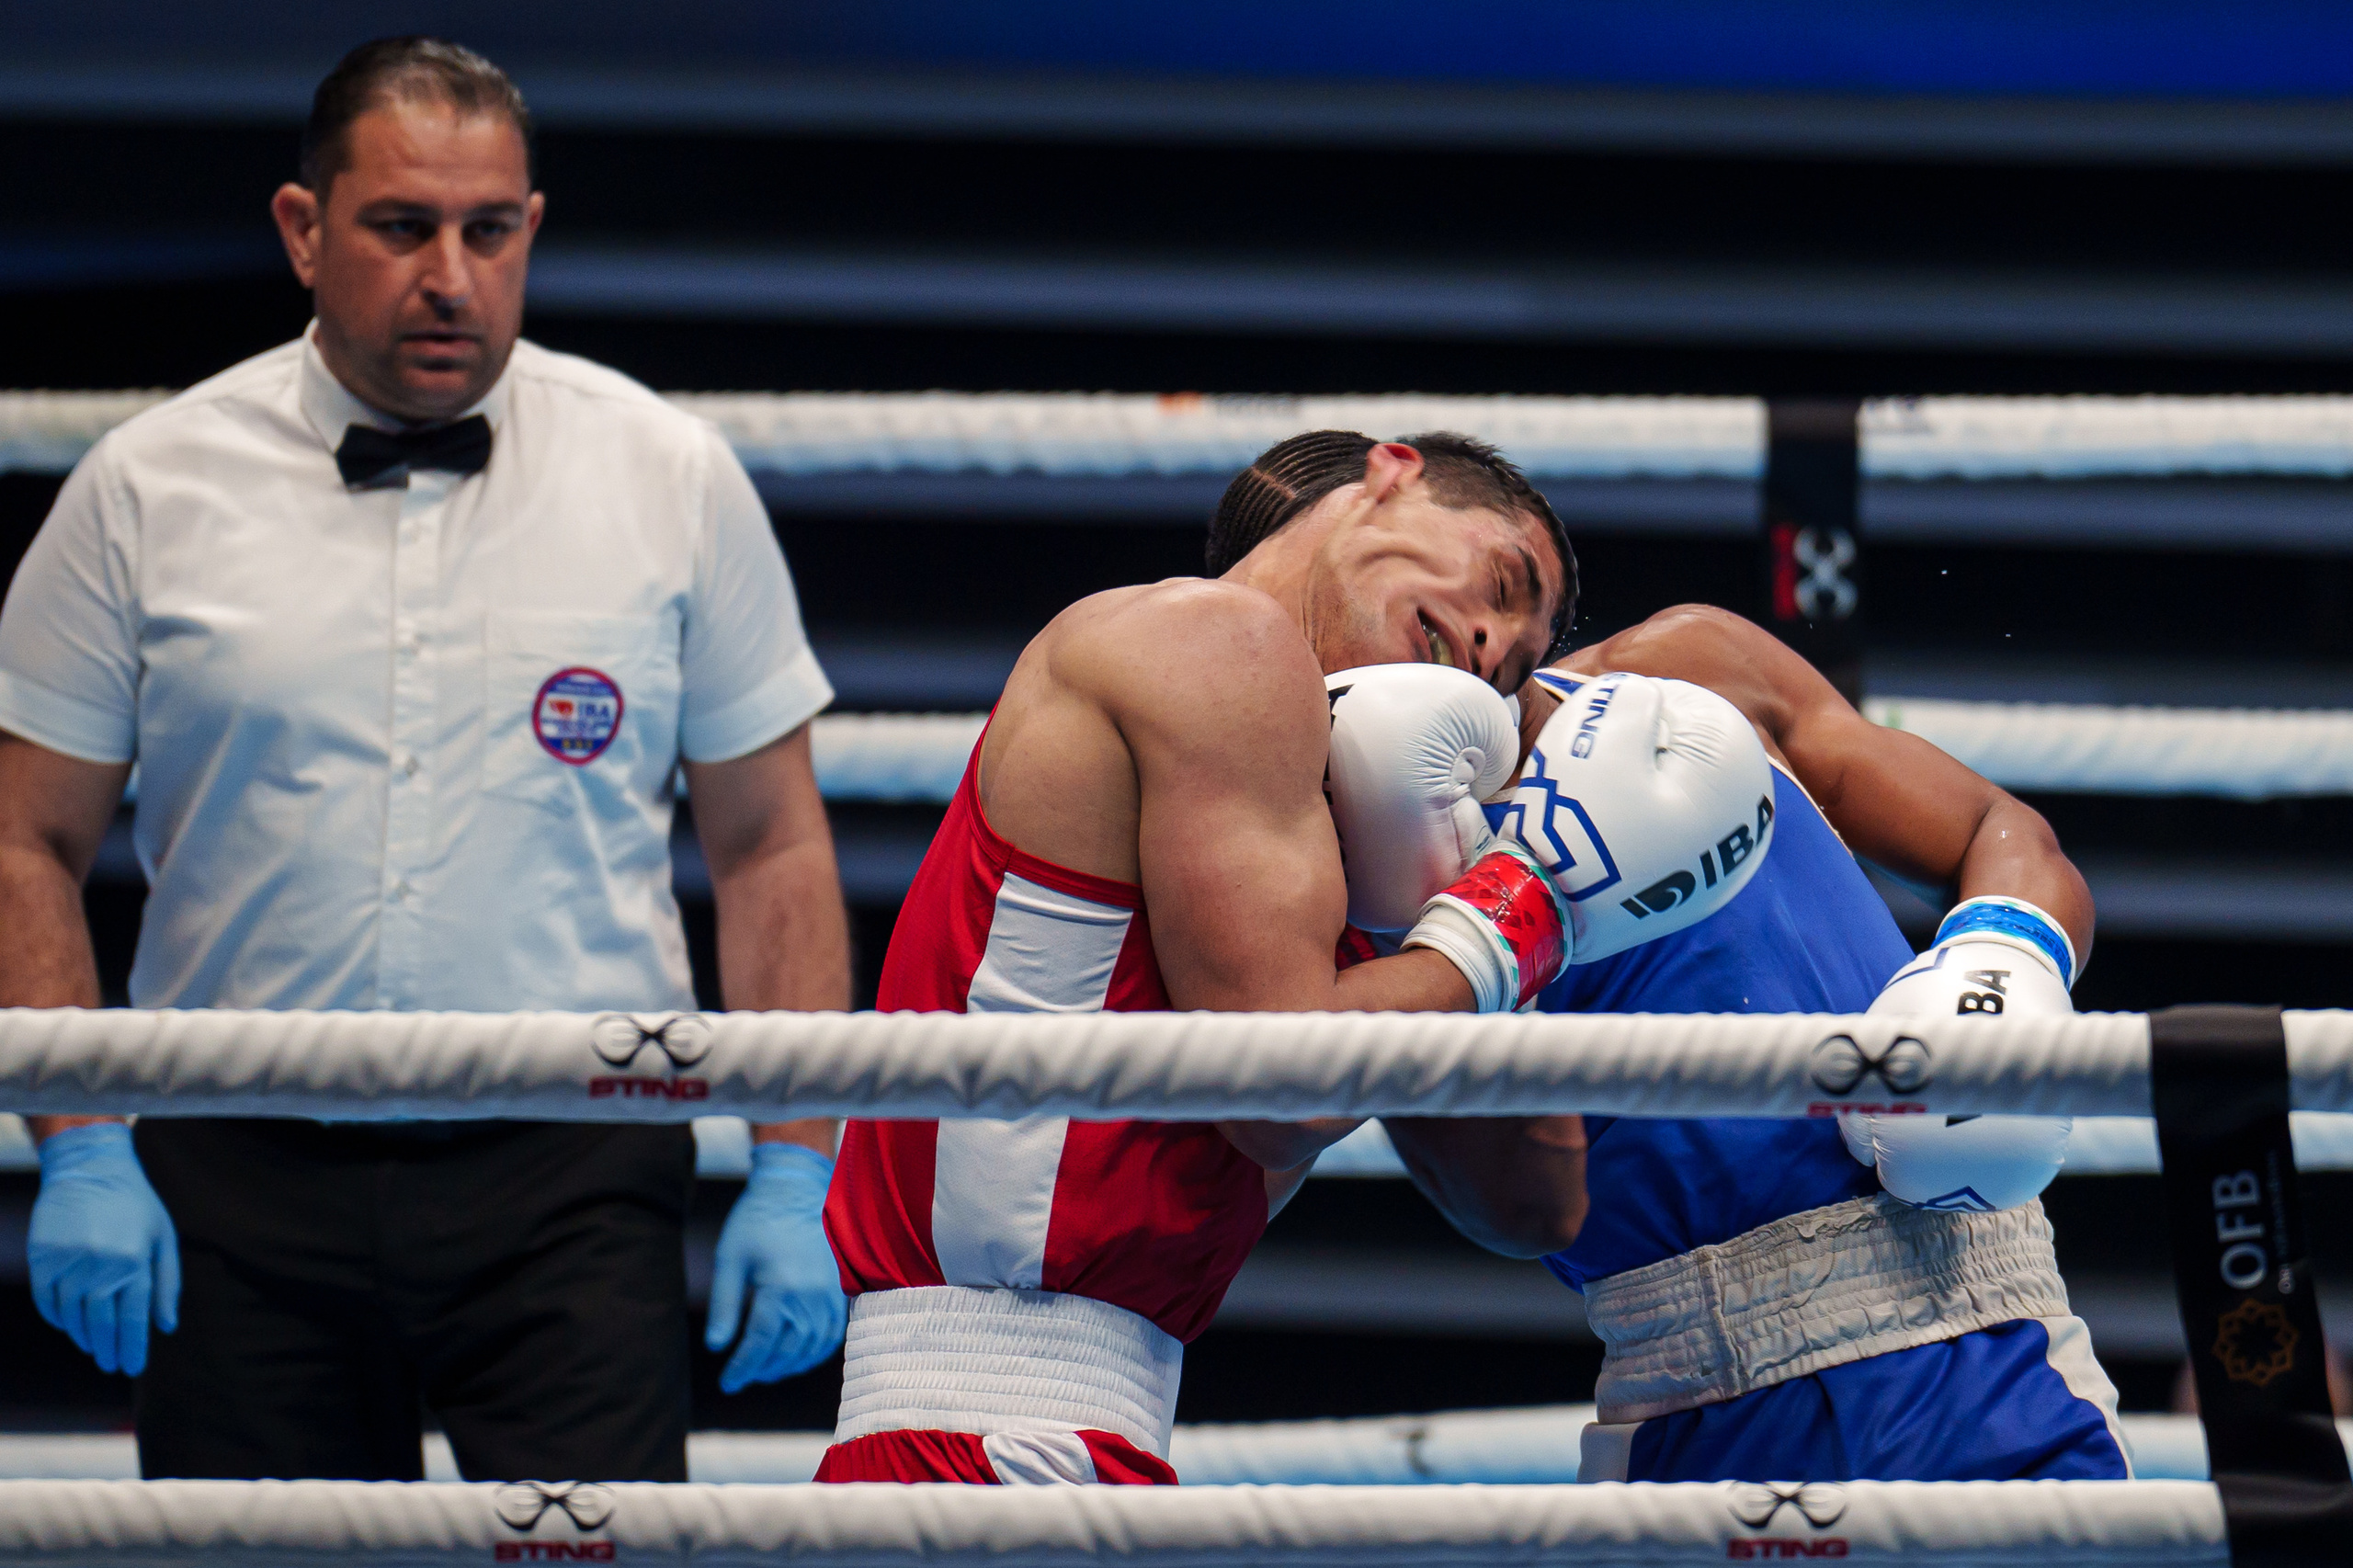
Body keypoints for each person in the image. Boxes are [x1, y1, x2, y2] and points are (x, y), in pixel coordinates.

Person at [0, 38, 847, 1482]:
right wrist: (75, 1132)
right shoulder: (145, 486)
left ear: (532, 229)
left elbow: (771, 842)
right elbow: (25, 838)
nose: (450, 274)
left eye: (490, 228)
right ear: (303, 230)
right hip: (236, 1163)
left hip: (575, 1158)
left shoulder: (668, 472)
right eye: (402, 227)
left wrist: (799, 1161)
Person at [813, 431, 1777, 1486]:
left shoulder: (1310, 853)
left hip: (1062, 1430)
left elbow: (1536, 1206)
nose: (1489, 640)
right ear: (1391, 471)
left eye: (1512, 662)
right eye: (1502, 580)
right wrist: (1528, 905)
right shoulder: (1216, 637)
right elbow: (1280, 1092)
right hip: (996, 1439)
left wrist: (1482, 903)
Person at [1386, 603, 2131, 1484]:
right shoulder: (1368, 883)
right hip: (1698, 1396)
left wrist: (1999, 968)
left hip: (1995, 1344)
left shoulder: (1685, 670)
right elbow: (1513, 1208)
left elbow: (1996, 834)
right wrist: (1509, 919)